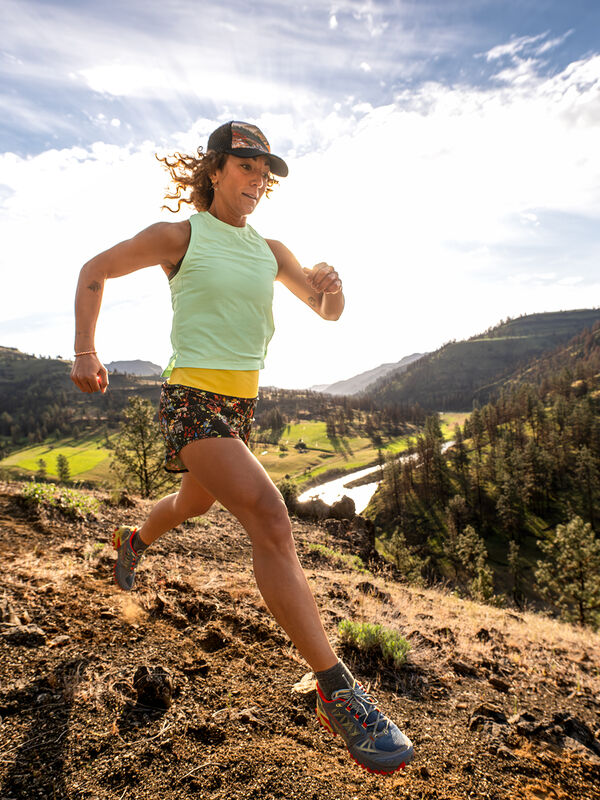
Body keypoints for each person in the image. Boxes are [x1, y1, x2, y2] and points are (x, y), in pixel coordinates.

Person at [70, 120, 414, 774]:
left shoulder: (272, 249)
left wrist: (333, 293)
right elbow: (95, 271)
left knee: (192, 505)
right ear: (216, 169)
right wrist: (85, 349)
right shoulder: (181, 235)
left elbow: (324, 310)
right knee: (270, 517)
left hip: (240, 407)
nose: (258, 179)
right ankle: (335, 690)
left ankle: (131, 542)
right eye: (247, 165)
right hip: (191, 399)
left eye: (265, 171)